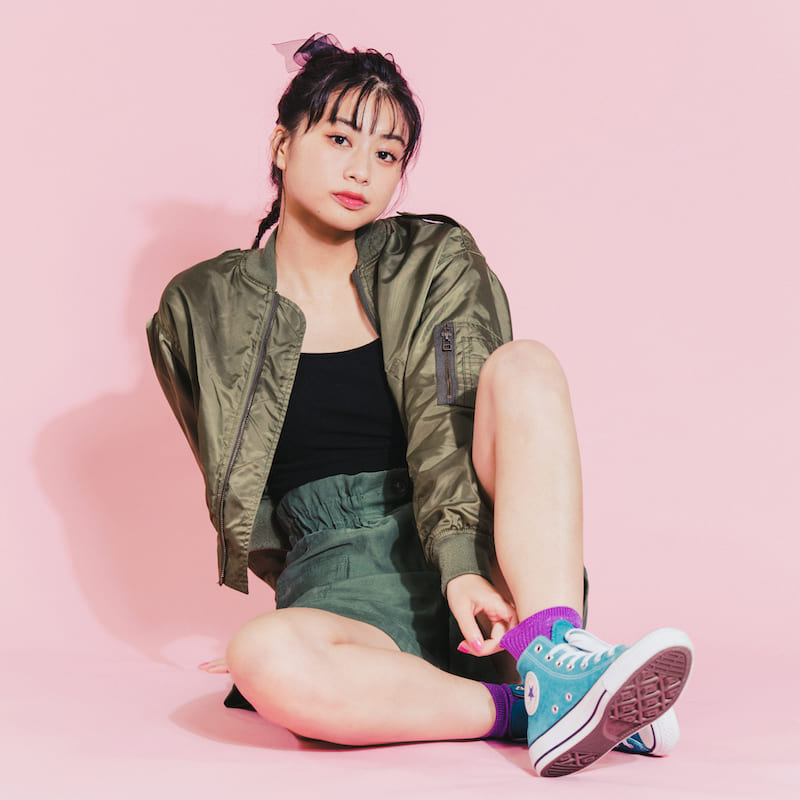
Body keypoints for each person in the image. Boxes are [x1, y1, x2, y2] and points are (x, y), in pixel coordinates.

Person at [147, 34, 692, 778]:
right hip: (339, 580)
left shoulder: (434, 261)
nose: (360, 170)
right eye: (339, 138)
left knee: (524, 365)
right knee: (263, 654)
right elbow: (232, 477)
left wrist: (463, 565)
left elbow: (448, 427)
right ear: (282, 144)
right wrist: (301, 622)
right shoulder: (199, 306)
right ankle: (549, 708)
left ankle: (553, 650)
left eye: (386, 154)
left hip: (483, 570)